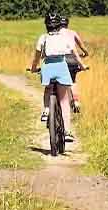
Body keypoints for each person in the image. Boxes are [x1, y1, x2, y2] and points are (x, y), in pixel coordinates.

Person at [28, 11, 76, 143]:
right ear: (59, 25)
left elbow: (36, 57)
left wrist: (33, 68)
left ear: (46, 25)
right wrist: (81, 65)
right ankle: (67, 131)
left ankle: (46, 110)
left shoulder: (43, 38)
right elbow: (73, 52)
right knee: (64, 100)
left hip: (47, 67)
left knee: (48, 89)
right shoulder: (64, 37)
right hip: (61, 66)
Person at [60, 15, 89, 112]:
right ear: (67, 24)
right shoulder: (72, 33)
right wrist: (85, 53)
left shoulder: (56, 34)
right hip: (72, 59)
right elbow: (81, 45)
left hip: (60, 59)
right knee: (72, 81)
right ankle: (76, 101)